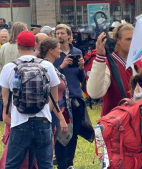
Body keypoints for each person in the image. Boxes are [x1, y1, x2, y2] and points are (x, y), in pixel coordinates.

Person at [0, 30, 68, 169]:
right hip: (43, 122)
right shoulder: (47, 66)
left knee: (12, 164)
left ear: (18, 46)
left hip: (19, 123)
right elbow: (54, 99)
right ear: (35, 45)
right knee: (45, 165)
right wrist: (45, 111)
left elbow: (6, 102)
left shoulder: (8, 68)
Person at [53, 24, 94, 169]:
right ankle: (61, 164)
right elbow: (52, 77)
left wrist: (82, 68)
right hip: (61, 99)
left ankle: (69, 163)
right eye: (57, 33)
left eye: (62, 33)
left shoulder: (77, 51)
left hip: (76, 97)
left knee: (74, 133)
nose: (59, 36)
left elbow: (81, 78)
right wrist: (62, 66)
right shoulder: (54, 54)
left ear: (69, 36)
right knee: (60, 134)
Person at [87, 23, 142, 117]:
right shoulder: (109, 63)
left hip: (137, 120)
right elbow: (95, 93)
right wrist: (100, 57)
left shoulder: (138, 62)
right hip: (114, 123)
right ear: (118, 41)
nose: (133, 42)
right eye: (129, 39)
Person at [38, 37, 72, 144]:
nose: (60, 51)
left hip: (56, 111)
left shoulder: (51, 66)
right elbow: (51, 97)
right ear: (50, 50)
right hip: (51, 113)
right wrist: (61, 118)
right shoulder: (46, 67)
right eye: (58, 48)